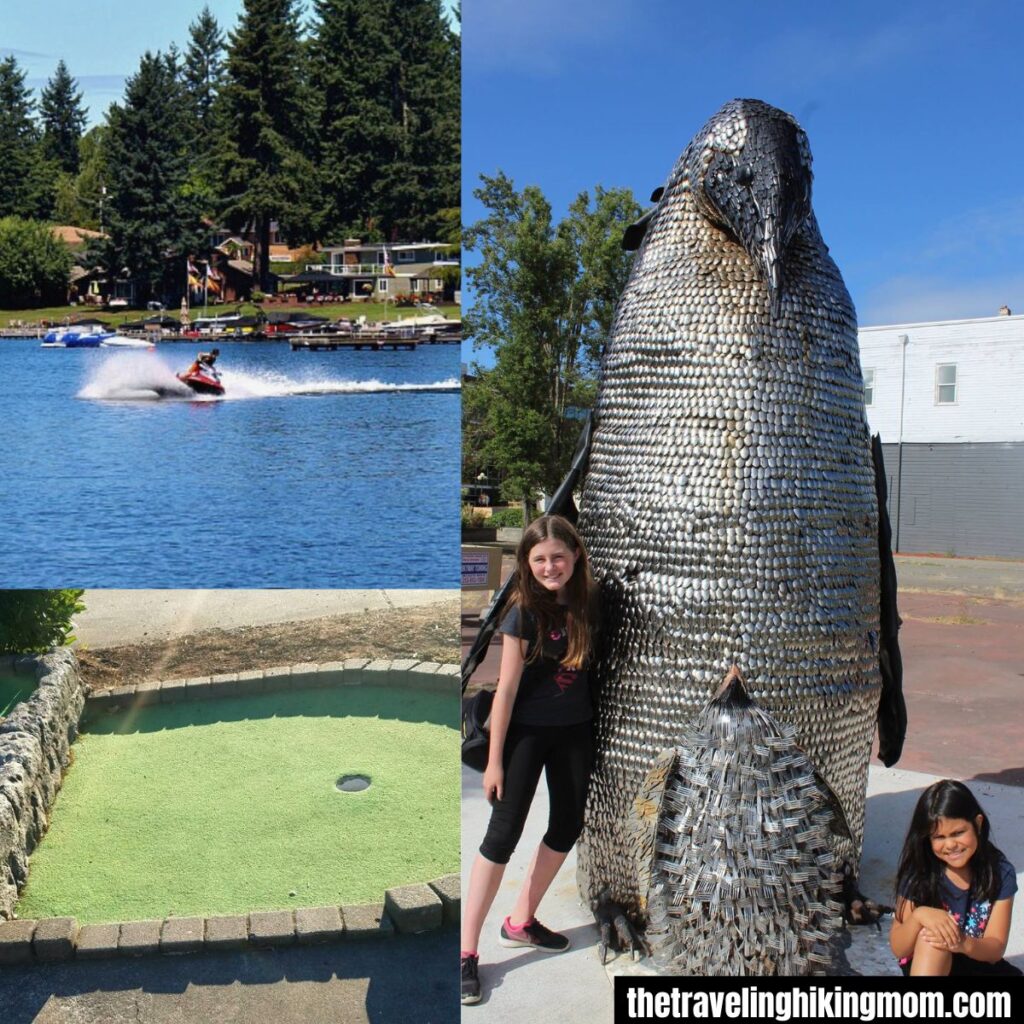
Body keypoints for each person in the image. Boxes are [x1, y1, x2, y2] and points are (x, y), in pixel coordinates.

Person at [461, 515, 598, 1006]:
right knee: (501, 838)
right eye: (539, 559)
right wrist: (494, 761)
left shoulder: (588, 603)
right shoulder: (524, 613)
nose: (549, 566)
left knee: (566, 827)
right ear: (527, 564)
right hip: (525, 736)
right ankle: (466, 953)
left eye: (558, 556)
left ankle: (521, 920)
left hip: (575, 732)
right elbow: (506, 690)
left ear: (576, 555)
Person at [890, 779, 1021, 976]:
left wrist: (962, 942)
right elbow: (899, 948)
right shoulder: (920, 872)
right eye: (939, 837)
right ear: (927, 838)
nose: (950, 845)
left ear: (977, 823)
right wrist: (919, 916)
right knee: (933, 937)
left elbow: (995, 949)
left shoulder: (999, 871)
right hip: (931, 963)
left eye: (958, 833)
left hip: (977, 961)